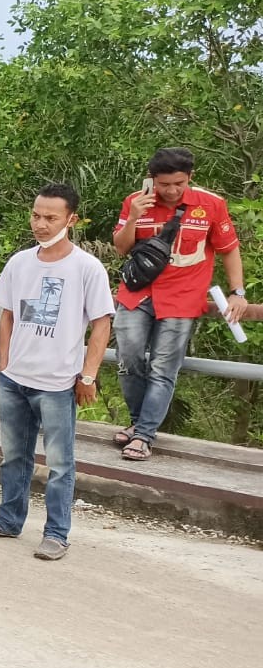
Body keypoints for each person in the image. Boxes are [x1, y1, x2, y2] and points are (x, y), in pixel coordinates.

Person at [0, 183, 114, 560]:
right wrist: (7, 362)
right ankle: (8, 519)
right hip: (16, 379)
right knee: (14, 456)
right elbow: (8, 315)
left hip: (58, 383)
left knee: (60, 463)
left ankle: (57, 534)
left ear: (71, 219)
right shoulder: (20, 262)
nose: (41, 224)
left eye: (51, 217)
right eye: (36, 215)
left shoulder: (86, 268)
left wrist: (88, 374)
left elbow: (101, 323)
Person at [110, 148, 246, 462]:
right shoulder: (136, 200)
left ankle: (143, 436)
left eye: (179, 184)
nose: (171, 191)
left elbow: (229, 249)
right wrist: (133, 217)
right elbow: (120, 249)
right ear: (152, 180)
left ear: (190, 178)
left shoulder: (211, 205)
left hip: (184, 297)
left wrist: (237, 292)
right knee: (128, 357)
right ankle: (138, 421)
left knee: (163, 368)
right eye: (164, 184)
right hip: (138, 293)